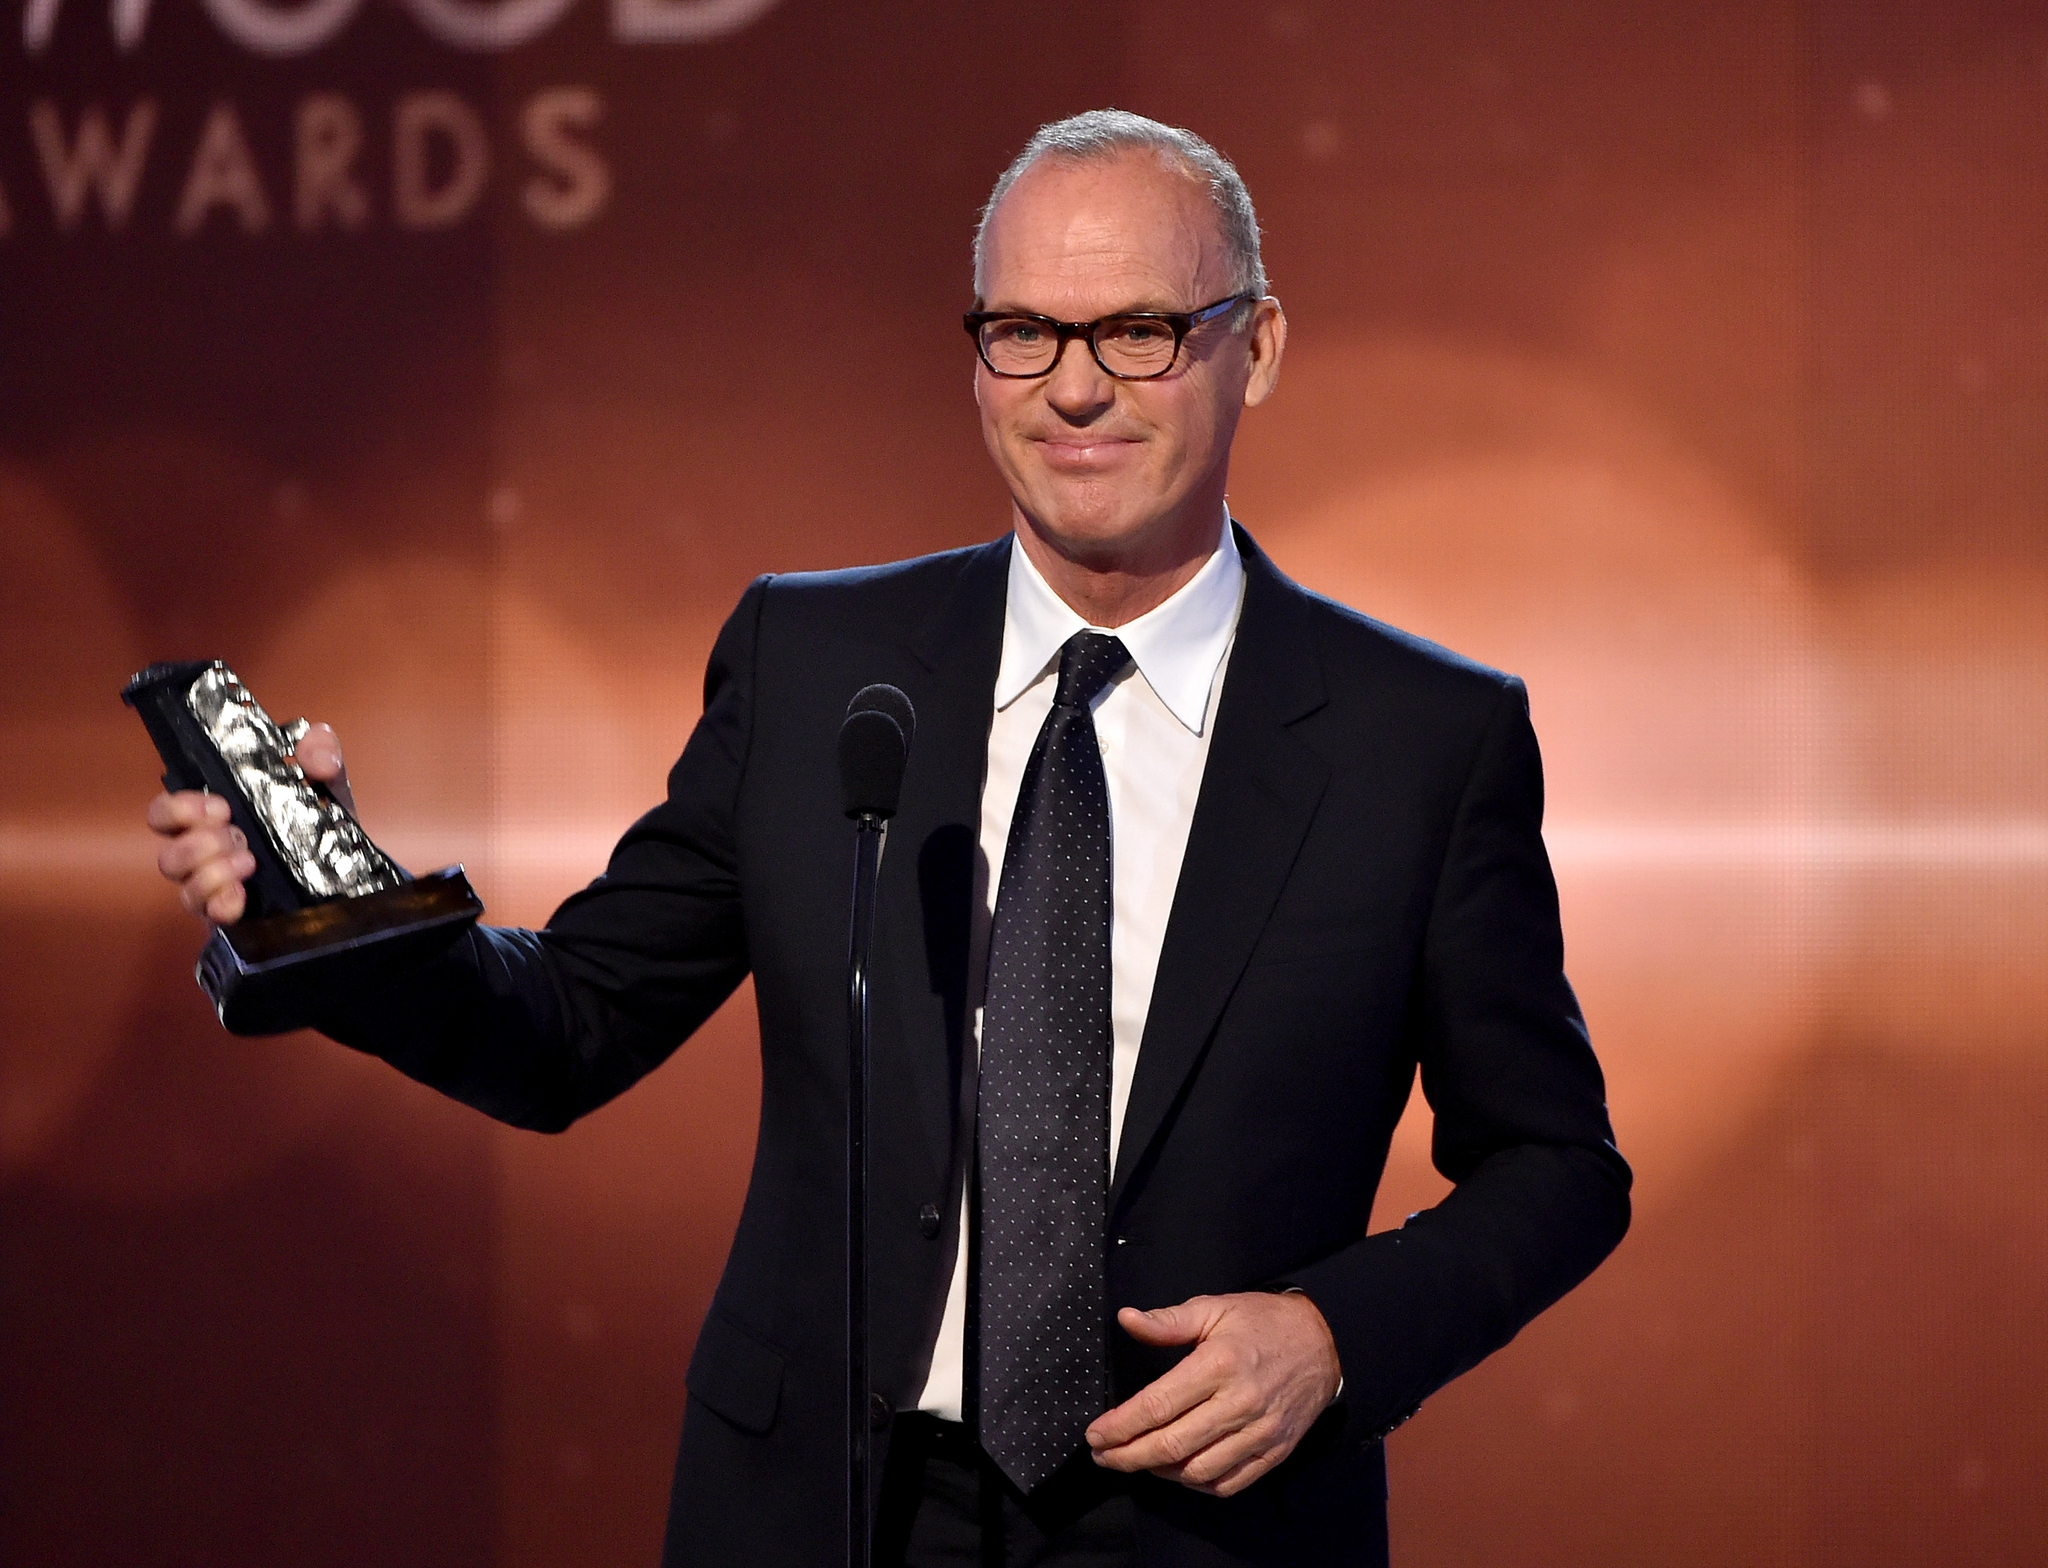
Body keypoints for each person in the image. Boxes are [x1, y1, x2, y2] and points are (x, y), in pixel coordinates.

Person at [148, 111, 1629, 1567]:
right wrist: (334, 911)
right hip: (823, 1511)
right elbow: (569, 1027)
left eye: (1139, 332)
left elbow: (1557, 1164)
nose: (1075, 390)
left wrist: (1333, 1339)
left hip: (1206, 1526)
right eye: (1024, 333)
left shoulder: (1419, 741)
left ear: (1261, 347)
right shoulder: (814, 668)